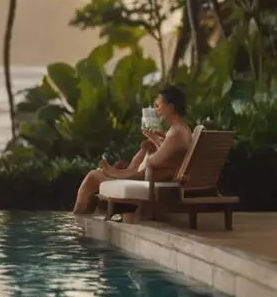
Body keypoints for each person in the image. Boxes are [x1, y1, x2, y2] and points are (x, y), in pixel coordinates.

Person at [72, 85, 193, 215]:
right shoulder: (182, 129)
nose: (157, 110)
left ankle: (77, 222)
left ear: (171, 107)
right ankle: (83, 219)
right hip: (158, 176)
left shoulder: (176, 132)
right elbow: (166, 156)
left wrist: (154, 140)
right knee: (98, 175)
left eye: (159, 106)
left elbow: (152, 162)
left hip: (153, 179)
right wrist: (156, 140)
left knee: (92, 177)